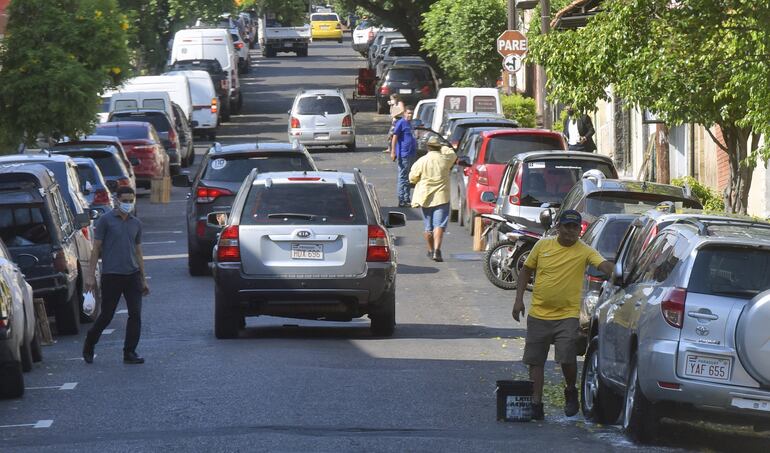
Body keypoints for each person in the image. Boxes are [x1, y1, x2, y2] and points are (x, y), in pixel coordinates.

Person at [512, 210, 613, 420]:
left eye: (574, 227)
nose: (570, 231)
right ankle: (536, 404)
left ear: (579, 230)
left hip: (566, 315)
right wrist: (519, 299)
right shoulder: (543, 245)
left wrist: (619, 270)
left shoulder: (584, 251)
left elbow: (603, 265)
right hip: (539, 313)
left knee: (566, 357)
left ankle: (570, 390)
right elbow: (526, 270)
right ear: (558, 227)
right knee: (535, 361)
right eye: (566, 226)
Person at [83, 186, 149, 365]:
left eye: (130, 201)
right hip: (111, 275)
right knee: (107, 315)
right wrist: (90, 275)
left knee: (135, 314)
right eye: (124, 201)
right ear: (117, 200)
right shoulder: (105, 221)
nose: (127, 204)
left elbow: (138, 251)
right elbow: (96, 248)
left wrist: (143, 278)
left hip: (132, 275)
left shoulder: (136, 223)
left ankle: (130, 352)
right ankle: (90, 341)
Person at [409, 136, 457, 262]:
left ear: (428, 147)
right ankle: (437, 250)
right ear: (439, 147)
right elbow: (453, 154)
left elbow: (412, 178)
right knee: (439, 225)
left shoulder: (422, 161)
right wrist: (444, 146)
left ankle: (430, 250)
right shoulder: (445, 159)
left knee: (428, 226)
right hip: (441, 196)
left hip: (426, 197)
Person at [391, 106, 417, 207]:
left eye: (411, 113)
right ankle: (401, 199)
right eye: (408, 113)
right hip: (404, 154)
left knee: (408, 177)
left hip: (411, 153)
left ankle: (407, 198)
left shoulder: (410, 124)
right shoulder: (401, 123)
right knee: (403, 177)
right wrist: (393, 151)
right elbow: (395, 137)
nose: (410, 115)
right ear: (404, 113)